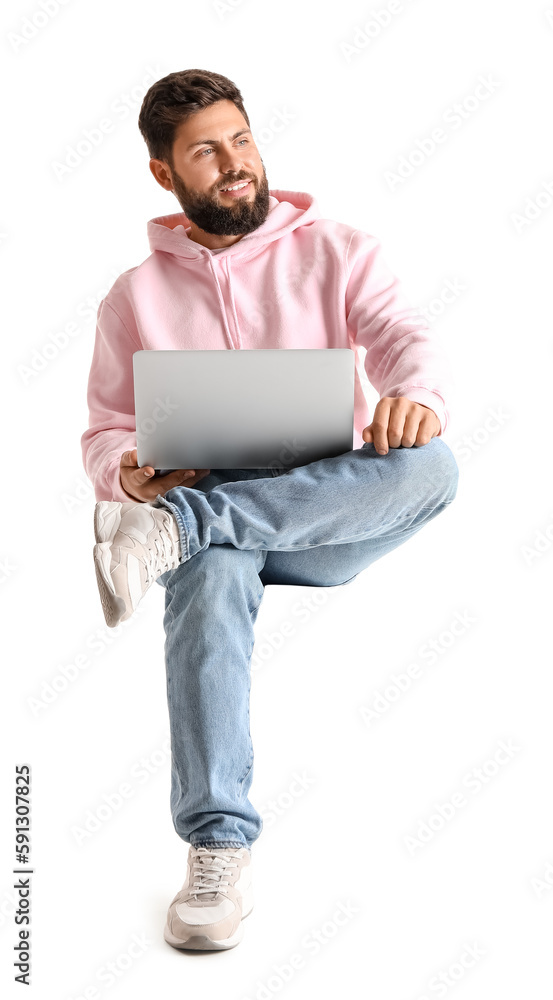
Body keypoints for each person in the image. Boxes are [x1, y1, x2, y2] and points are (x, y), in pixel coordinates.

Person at [81, 68, 459, 952]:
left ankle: (175, 533)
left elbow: (405, 338)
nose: (234, 163)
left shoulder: (336, 247)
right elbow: (102, 430)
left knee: (433, 465)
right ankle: (216, 849)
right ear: (164, 174)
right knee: (207, 575)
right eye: (206, 152)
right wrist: (128, 473)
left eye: (241, 139)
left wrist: (416, 396)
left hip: (330, 510)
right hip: (217, 510)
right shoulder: (132, 296)